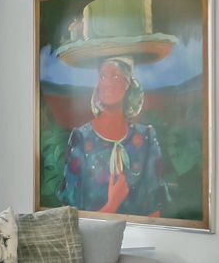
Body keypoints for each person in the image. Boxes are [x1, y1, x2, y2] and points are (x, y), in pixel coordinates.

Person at [61, 55, 170, 217]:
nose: (107, 83)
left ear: (127, 83)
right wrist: (112, 204)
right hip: (92, 233)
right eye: (103, 76)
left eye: (115, 76)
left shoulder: (146, 137)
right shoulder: (81, 138)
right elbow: (69, 214)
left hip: (139, 232)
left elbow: (154, 208)